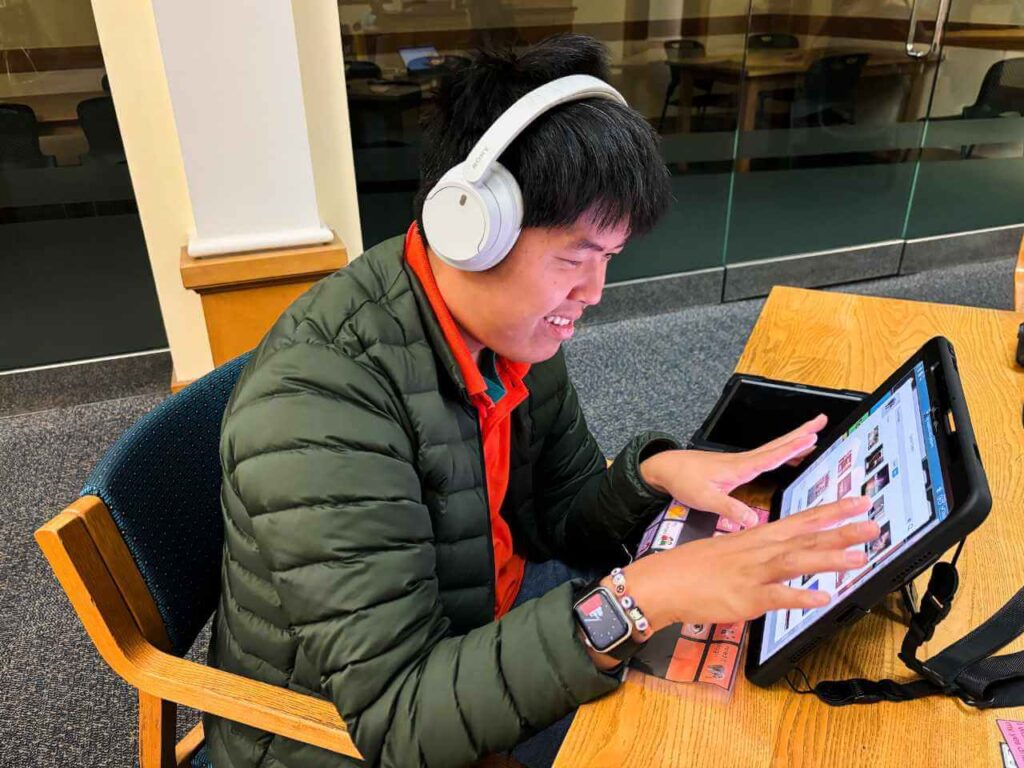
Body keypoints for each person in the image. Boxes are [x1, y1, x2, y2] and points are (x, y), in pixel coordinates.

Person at [203, 33, 879, 768]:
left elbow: (564, 518)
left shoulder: (510, 334)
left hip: (483, 626)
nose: (594, 293)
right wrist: (639, 599)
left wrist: (654, 476)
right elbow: (399, 721)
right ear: (470, 229)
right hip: (338, 733)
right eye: (574, 258)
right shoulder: (322, 409)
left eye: (609, 258)